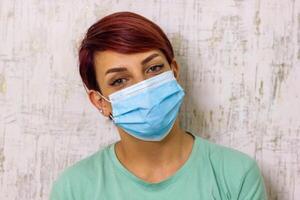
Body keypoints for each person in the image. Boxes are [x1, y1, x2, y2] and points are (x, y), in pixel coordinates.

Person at [49, 11, 267, 200]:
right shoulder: (74, 189)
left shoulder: (236, 174)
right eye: (119, 80)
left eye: (153, 69)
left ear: (174, 72)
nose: (143, 88)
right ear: (100, 102)